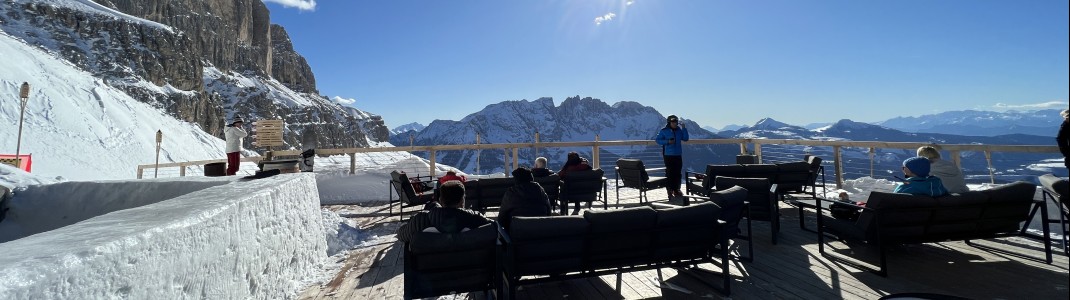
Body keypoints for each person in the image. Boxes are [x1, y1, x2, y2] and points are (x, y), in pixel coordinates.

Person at [396, 180, 491, 243]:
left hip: (430, 270)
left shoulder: (420, 221)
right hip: (467, 270)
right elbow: (495, 227)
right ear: (462, 201)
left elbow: (401, 235)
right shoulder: (476, 219)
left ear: (441, 200)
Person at [654, 115, 689, 198]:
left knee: (678, 173)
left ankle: (677, 189)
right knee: (670, 173)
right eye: (673, 122)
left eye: (676, 122)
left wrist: (684, 128)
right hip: (668, 155)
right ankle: (669, 190)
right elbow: (658, 140)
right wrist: (668, 141)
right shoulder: (664, 131)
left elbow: (685, 138)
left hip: (678, 154)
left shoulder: (679, 130)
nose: (675, 123)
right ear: (669, 122)